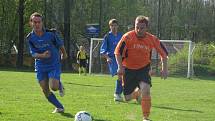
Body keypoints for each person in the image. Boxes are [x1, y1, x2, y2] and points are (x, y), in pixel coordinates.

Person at [114, 15, 168, 121]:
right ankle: (138, 94)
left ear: (146, 28)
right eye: (136, 27)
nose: (138, 30)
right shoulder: (127, 37)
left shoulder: (152, 39)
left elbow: (164, 54)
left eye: (142, 28)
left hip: (144, 69)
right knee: (128, 98)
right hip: (128, 69)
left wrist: (164, 69)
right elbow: (117, 53)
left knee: (146, 90)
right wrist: (120, 67)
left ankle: (146, 117)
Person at [27, 12, 68, 113]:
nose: (37, 24)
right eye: (34, 22)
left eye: (39, 22)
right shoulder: (30, 38)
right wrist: (42, 55)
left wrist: (64, 54)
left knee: (53, 87)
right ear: (31, 23)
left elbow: (60, 44)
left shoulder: (51, 34)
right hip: (40, 66)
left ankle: (59, 84)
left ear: (42, 23)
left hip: (53, 64)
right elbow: (33, 54)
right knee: (45, 90)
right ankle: (59, 107)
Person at [100, 19, 123, 101]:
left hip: (121, 58)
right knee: (120, 75)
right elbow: (102, 50)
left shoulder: (121, 36)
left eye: (115, 25)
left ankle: (121, 93)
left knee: (124, 76)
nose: (114, 27)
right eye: (112, 25)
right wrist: (107, 57)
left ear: (118, 26)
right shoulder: (107, 36)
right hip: (112, 59)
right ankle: (117, 94)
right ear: (110, 27)